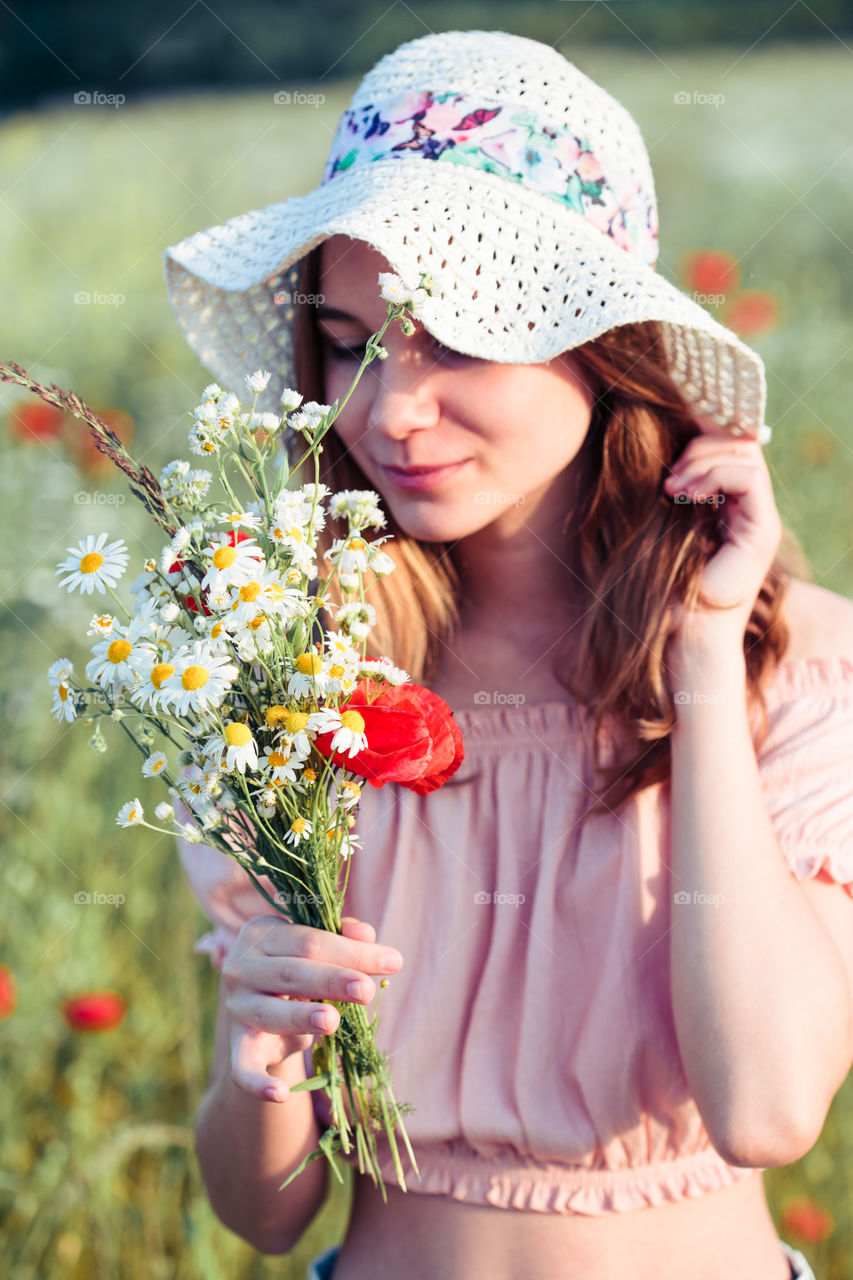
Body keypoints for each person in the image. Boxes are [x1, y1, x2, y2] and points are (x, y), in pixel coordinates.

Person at [162, 29, 853, 1280]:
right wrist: (256, 1054)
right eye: (349, 340)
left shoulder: (791, 667)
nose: (387, 408)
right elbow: (260, 1210)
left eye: (459, 339)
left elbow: (764, 1106)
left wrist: (697, 653)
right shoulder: (296, 686)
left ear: (602, 344)